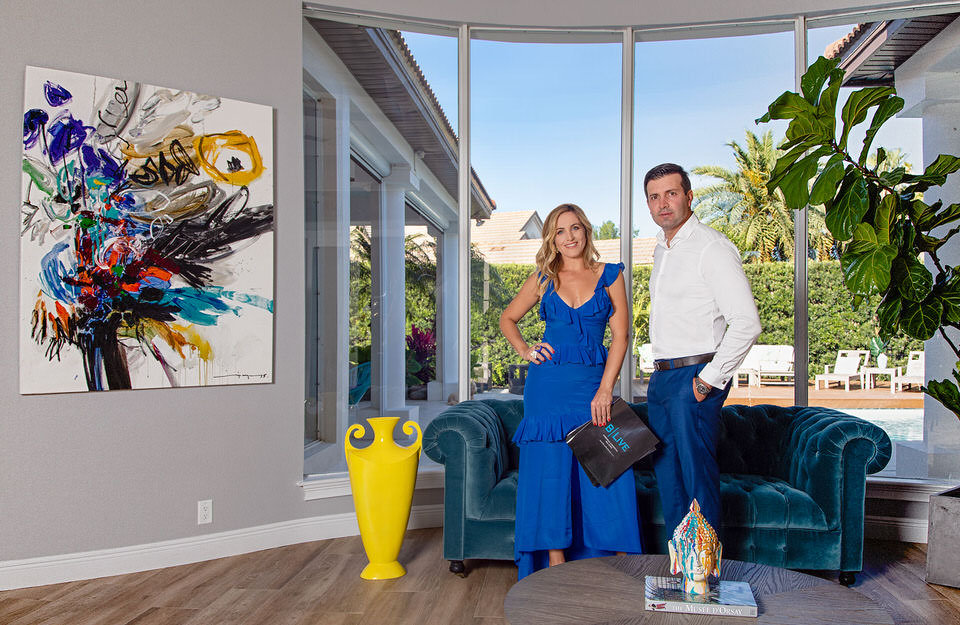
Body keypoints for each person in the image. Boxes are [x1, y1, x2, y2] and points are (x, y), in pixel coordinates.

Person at [500, 203, 643, 580]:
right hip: (547, 389)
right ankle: (556, 566)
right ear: (552, 238)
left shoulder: (610, 275)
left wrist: (605, 389)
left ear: (586, 231)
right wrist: (525, 350)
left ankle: (616, 561)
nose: (569, 237)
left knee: (606, 472)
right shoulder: (544, 278)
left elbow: (621, 336)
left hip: (593, 389)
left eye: (575, 228)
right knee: (549, 473)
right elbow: (507, 318)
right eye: (560, 231)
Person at [643, 163, 761, 540]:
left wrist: (707, 381)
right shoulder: (662, 249)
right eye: (654, 196)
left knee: (697, 480)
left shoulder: (711, 247)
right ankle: (683, 571)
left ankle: (707, 579)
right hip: (662, 377)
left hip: (694, 376)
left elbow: (746, 322)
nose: (663, 204)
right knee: (671, 480)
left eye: (671, 193)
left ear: (689, 196)